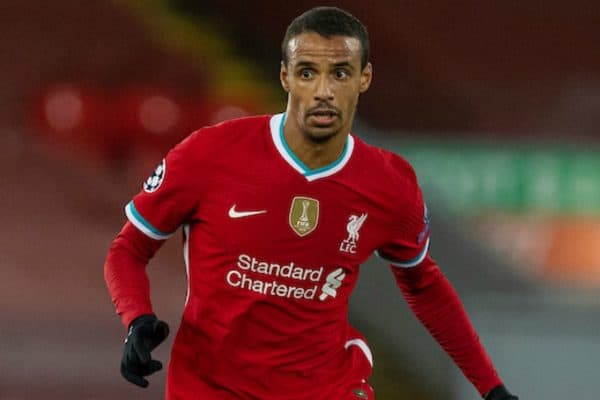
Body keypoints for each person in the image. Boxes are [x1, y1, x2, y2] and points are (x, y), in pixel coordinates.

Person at [104, 6, 518, 400]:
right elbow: (128, 249)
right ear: (285, 77)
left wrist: (490, 386)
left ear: (364, 78)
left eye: (340, 73)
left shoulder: (390, 185)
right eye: (307, 72)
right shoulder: (208, 154)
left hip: (326, 386)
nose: (323, 91)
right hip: (211, 385)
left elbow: (423, 284)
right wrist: (137, 318)